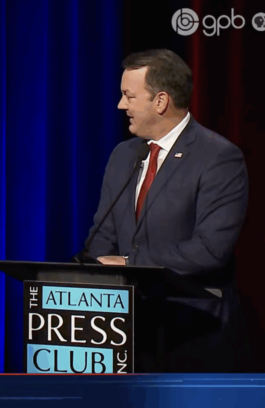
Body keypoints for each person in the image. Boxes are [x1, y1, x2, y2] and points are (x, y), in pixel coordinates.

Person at [85, 49, 248, 372]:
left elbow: (210, 250)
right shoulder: (123, 155)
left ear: (160, 102)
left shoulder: (218, 157)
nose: (121, 105)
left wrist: (131, 265)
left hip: (192, 334)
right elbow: (102, 235)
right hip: (124, 331)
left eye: (128, 96)